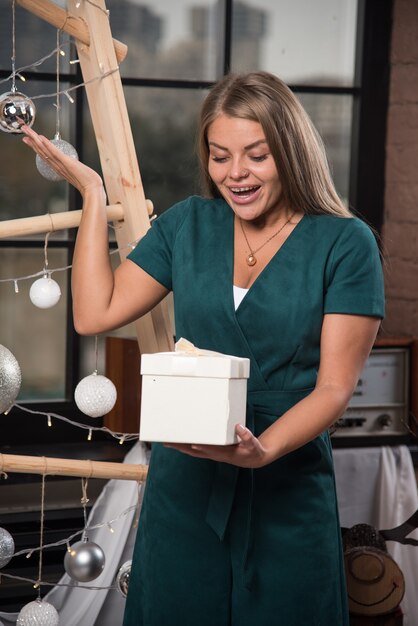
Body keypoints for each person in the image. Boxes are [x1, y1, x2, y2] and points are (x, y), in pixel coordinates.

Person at [21, 71, 384, 626]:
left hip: (286, 482)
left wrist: (263, 449)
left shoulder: (345, 242)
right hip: (185, 485)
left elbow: (335, 388)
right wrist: (94, 195)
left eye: (256, 155)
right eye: (220, 156)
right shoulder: (188, 224)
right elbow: (96, 313)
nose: (235, 173)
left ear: (289, 151)